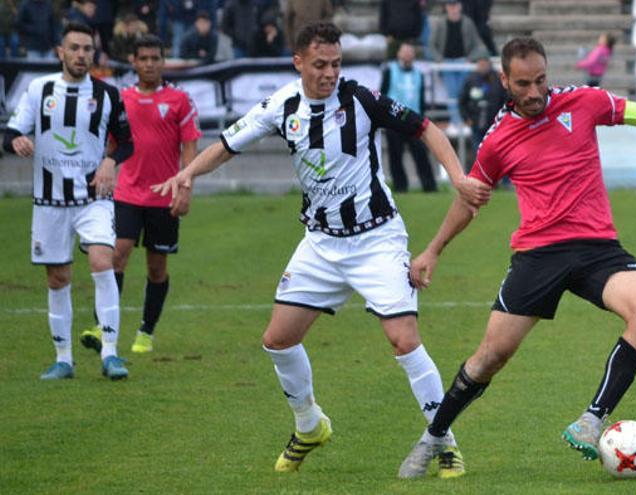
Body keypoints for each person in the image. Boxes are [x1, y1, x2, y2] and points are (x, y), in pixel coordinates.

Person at [398, 36, 636, 479]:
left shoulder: (585, 102)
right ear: (504, 81)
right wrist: (434, 249)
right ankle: (435, 435)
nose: (533, 93)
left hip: (597, 249)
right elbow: (470, 199)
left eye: (540, 81)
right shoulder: (497, 141)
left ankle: (592, 420)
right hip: (538, 254)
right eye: (522, 84)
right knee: (491, 357)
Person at [152, 21, 491, 477]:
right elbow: (228, 145)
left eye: (336, 63)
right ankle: (309, 425)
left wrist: (456, 175)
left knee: (404, 339)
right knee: (278, 339)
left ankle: (444, 440)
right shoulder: (281, 105)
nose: (330, 73)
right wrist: (189, 172)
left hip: (376, 238)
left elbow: (425, 128)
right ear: (298, 63)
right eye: (320, 65)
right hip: (321, 243)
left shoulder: (361, 99)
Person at [3, 22, 134, 380]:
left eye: (87, 49)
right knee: (58, 278)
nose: (81, 55)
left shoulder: (108, 94)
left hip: (94, 197)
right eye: (74, 48)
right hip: (49, 200)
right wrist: (15, 141)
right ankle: (64, 359)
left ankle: (110, 354)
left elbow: (126, 142)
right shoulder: (38, 89)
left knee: (101, 261)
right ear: (60, 52)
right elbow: (12, 131)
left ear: (95, 53)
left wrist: (110, 161)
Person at [87, 35, 201, 355]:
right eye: (144, 58)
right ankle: (101, 325)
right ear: (134, 62)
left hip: (164, 197)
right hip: (126, 193)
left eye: (155, 58)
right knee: (116, 255)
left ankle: (146, 331)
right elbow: (112, 143)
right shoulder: (120, 99)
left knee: (156, 268)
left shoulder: (180, 100)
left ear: (162, 62)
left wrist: (185, 187)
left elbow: (190, 145)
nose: (150, 64)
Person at [380, 41, 437, 192]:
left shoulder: (419, 74)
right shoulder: (389, 71)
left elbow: (421, 100)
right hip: (394, 121)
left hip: (413, 121)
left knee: (421, 154)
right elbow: (382, 95)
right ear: (398, 54)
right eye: (404, 51)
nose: (407, 55)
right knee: (395, 156)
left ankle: (429, 186)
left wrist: (422, 119)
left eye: (410, 52)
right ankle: (400, 187)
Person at [429, 0, 488, 130]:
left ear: (460, 6)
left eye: (455, 5)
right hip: (446, 63)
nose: (453, 8)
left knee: (462, 92)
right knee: (452, 93)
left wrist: (470, 58)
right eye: (450, 6)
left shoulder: (467, 23)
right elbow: (432, 45)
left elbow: (478, 45)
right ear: (446, 7)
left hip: (463, 63)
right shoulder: (440, 23)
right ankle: (456, 122)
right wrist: (439, 59)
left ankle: (464, 121)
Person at [458, 54, 505, 166]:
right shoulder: (470, 80)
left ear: (489, 64)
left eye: (485, 64)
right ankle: (483, 179)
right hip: (476, 123)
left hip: (494, 123)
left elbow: (505, 99)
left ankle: (504, 180)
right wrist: (466, 118)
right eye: (480, 64)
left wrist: (503, 118)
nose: (483, 66)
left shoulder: (498, 79)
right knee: (479, 152)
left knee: (498, 151)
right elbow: (462, 101)